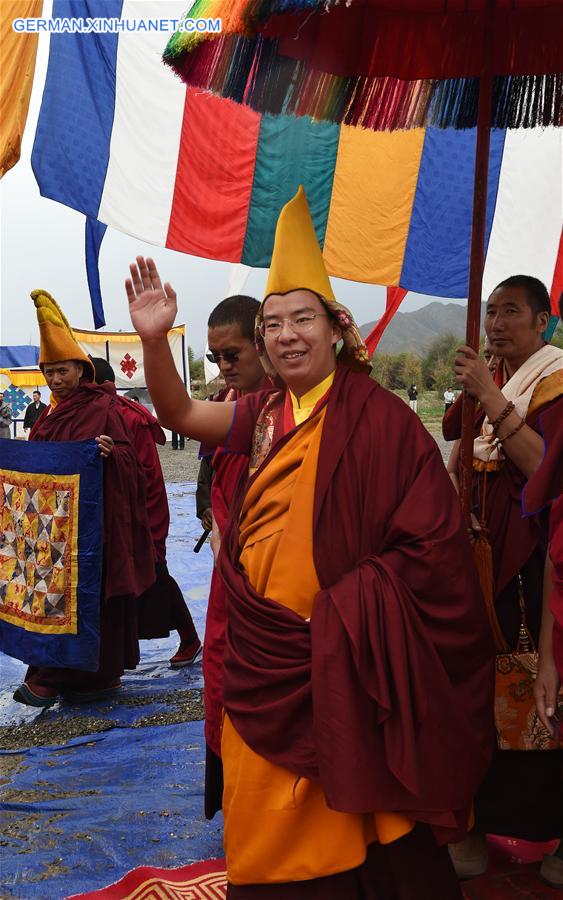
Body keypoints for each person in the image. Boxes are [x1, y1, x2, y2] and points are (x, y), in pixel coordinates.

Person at [125, 187, 495, 900]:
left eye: (303, 319)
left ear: (336, 329)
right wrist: (150, 338)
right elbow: (173, 410)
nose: (287, 335)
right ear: (261, 339)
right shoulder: (259, 416)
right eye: (273, 324)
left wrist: (347, 617)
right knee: (266, 830)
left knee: (367, 827)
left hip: (348, 659)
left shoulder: (379, 422)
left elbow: (434, 551)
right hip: (265, 665)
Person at [445, 275, 563, 884]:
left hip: (540, 560)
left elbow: (545, 471)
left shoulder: (556, 383)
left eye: (510, 312)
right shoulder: (489, 374)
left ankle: (557, 834)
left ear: (543, 322)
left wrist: (491, 395)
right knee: (475, 695)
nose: (495, 322)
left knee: (546, 686)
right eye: (490, 311)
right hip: (480, 556)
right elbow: (458, 443)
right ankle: (475, 822)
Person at [13, 290, 156, 707]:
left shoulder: (102, 408)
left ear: (81, 368)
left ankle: (75, 677)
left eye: (61, 371)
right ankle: (51, 673)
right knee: (51, 598)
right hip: (53, 528)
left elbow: (132, 458)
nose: (55, 380)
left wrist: (114, 453)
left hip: (95, 527)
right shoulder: (48, 416)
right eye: (49, 372)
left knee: (89, 599)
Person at [195, 295, 272, 818]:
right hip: (228, 577)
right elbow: (209, 475)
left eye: (232, 354)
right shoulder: (227, 403)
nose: (224, 367)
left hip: (269, 578)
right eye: (215, 356)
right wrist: (211, 519)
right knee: (222, 674)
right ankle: (235, 801)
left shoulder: (279, 408)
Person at [91, 357, 201, 668]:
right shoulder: (91, 413)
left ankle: (190, 638)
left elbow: (143, 473)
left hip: (141, 512)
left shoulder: (125, 416)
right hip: (111, 515)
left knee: (153, 574)